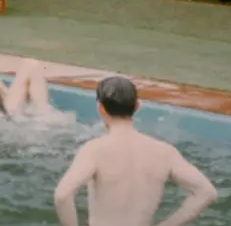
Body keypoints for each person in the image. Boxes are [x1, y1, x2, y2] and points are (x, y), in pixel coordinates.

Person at [53, 76, 218, 226]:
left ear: (101, 108)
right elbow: (206, 192)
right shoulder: (165, 152)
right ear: (137, 106)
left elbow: (62, 195)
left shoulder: (95, 150)